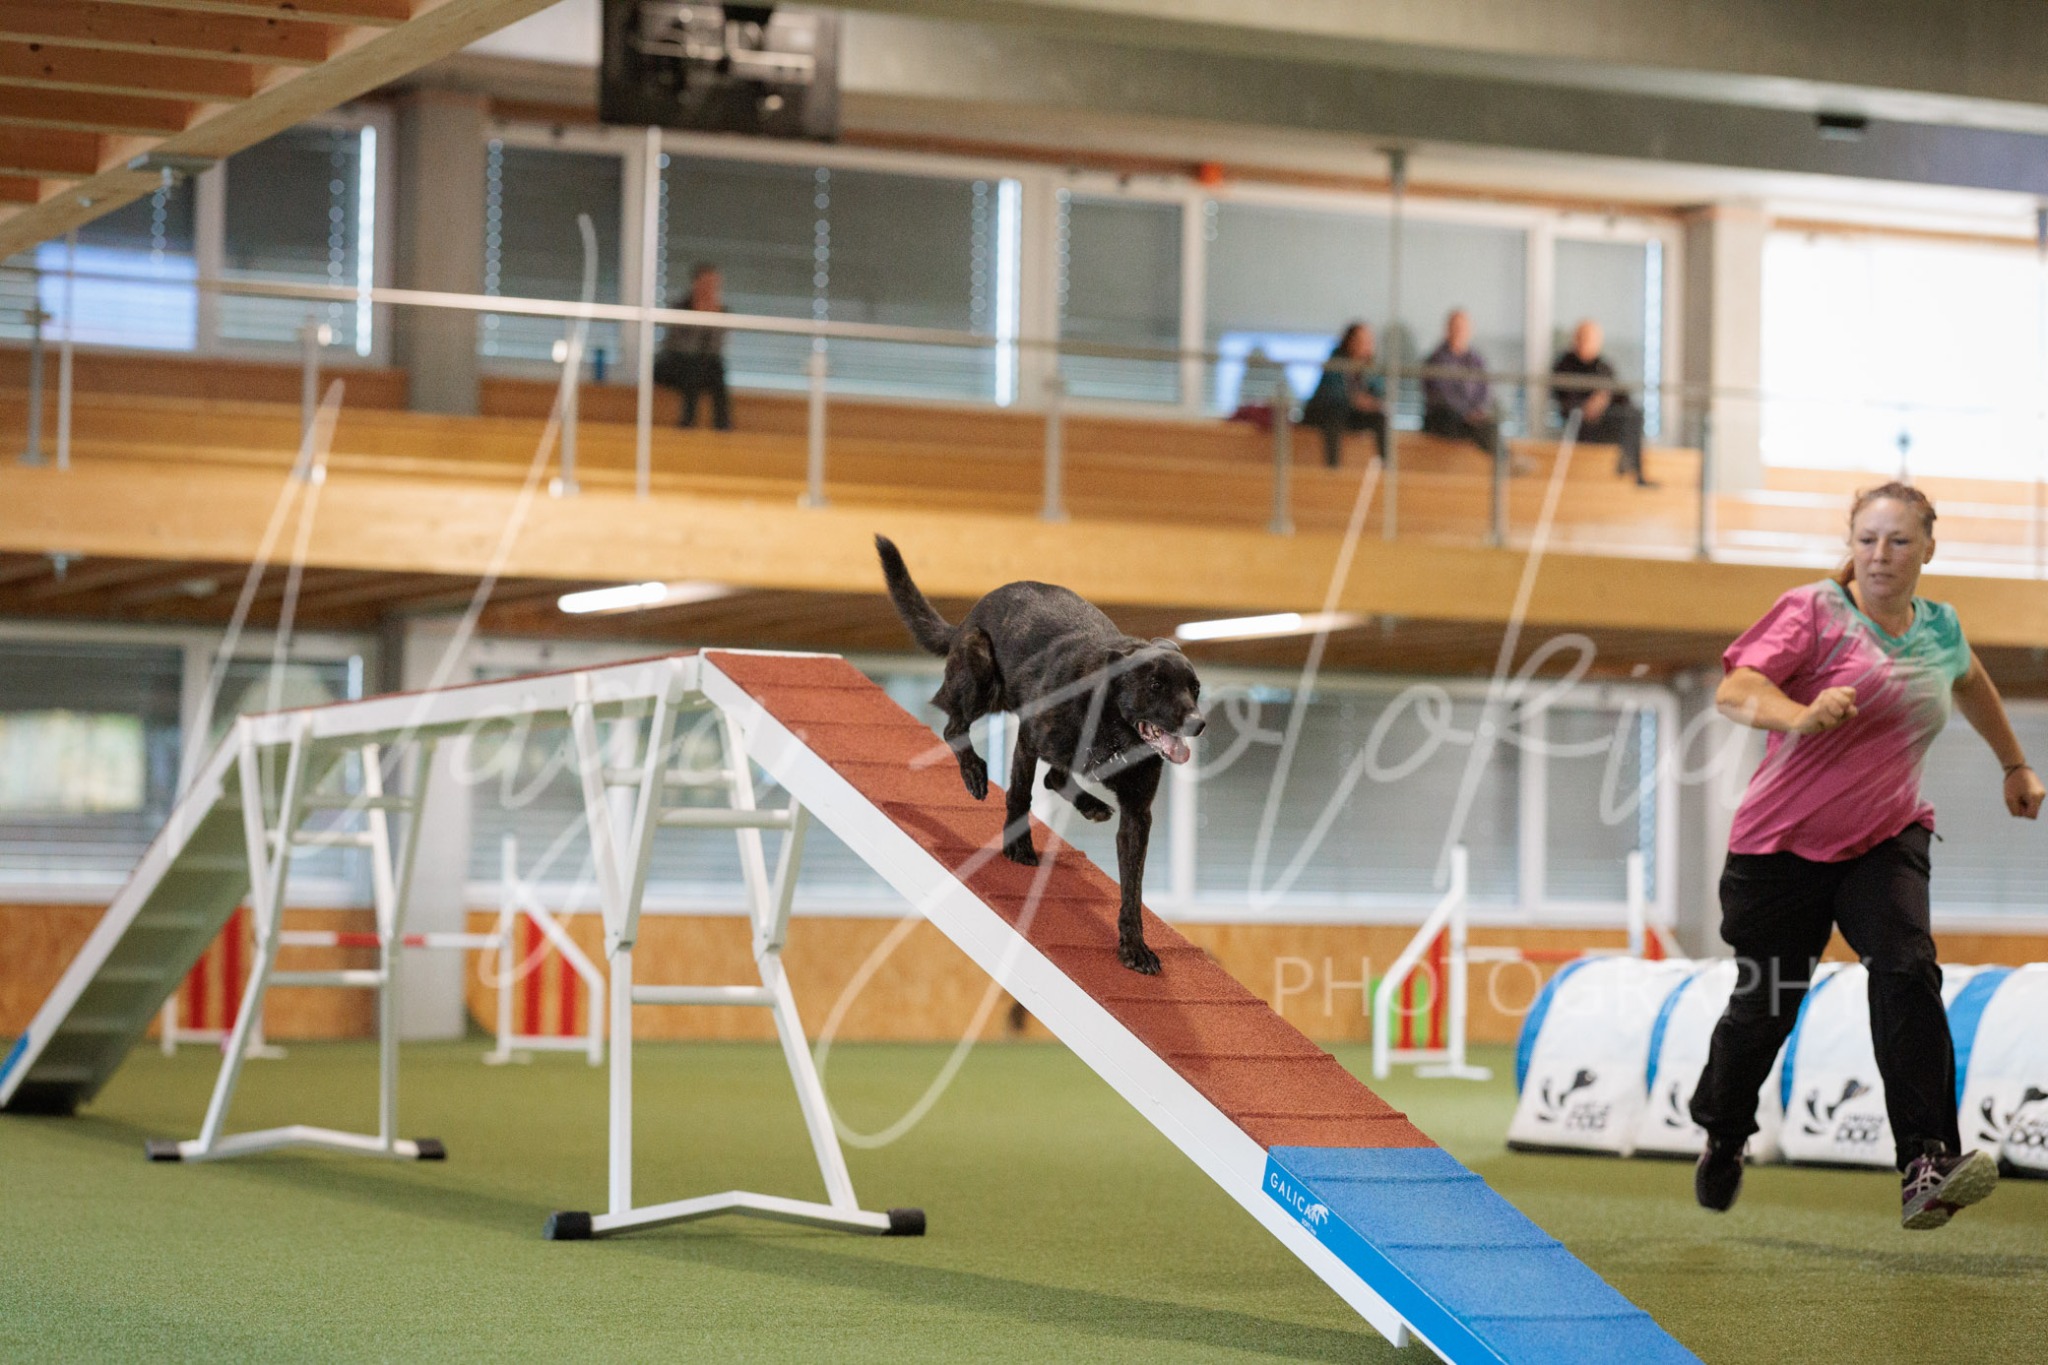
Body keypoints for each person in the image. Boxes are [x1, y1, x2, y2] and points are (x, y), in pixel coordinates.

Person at [1688, 481, 2044, 1230]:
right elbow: (1736, 689)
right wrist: (1799, 714)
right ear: (1851, 545)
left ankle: (1926, 1162)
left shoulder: (1941, 628)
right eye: (1868, 539)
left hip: (1886, 836)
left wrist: (2014, 763)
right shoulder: (1813, 611)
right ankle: (1724, 1131)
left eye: (1900, 540)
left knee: (1907, 967)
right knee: (1766, 1005)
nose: (1881, 554)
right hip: (1780, 850)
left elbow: (1971, 681)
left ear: (1928, 549)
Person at [1421, 309, 1529, 474]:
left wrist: (1477, 411)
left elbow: (1485, 391)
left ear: (1470, 331)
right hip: (1443, 418)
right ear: (1447, 329)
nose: (1459, 332)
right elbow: (1442, 396)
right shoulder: (1436, 359)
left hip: (1471, 419)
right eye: (1456, 327)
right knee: (1480, 426)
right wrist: (1467, 413)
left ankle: (1506, 462)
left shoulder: (1476, 360)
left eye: (1463, 328)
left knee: (1488, 422)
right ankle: (1507, 461)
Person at [1551, 319, 1652, 487]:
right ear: (1576, 339)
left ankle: (1633, 468)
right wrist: (1589, 406)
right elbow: (1566, 402)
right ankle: (1629, 463)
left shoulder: (1603, 366)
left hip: (1605, 422)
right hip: (1579, 425)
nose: (1587, 343)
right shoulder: (1564, 365)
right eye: (1584, 338)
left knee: (1633, 413)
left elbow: (1622, 397)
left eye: (1591, 339)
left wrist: (1603, 401)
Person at [1300, 322, 1388, 468]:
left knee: (1380, 417)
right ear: (1350, 342)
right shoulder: (1335, 362)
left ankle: (1386, 466)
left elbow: (1379, 392)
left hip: (1352, 415)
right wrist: (1354, 400)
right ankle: (1333, 470)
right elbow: (1331, 394)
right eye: (1363, 341)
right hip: (1327, 413)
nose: (1368, 346)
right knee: (1335, 414)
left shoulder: (1370, 368)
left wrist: (1372, 402)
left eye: (1369, 342)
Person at [655, 263, 730, 430]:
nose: (709, 289)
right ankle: (687, 425)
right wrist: (698, 319)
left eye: (714, 285)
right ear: (695, 283)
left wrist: (713, 320)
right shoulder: (679, 308)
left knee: (716, 367)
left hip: (703, 368)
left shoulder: (722, 312)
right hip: (674, 365)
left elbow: (715, 349)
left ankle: (723, 426)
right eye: (706, 283)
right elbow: (680, 346)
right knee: (693, 366)